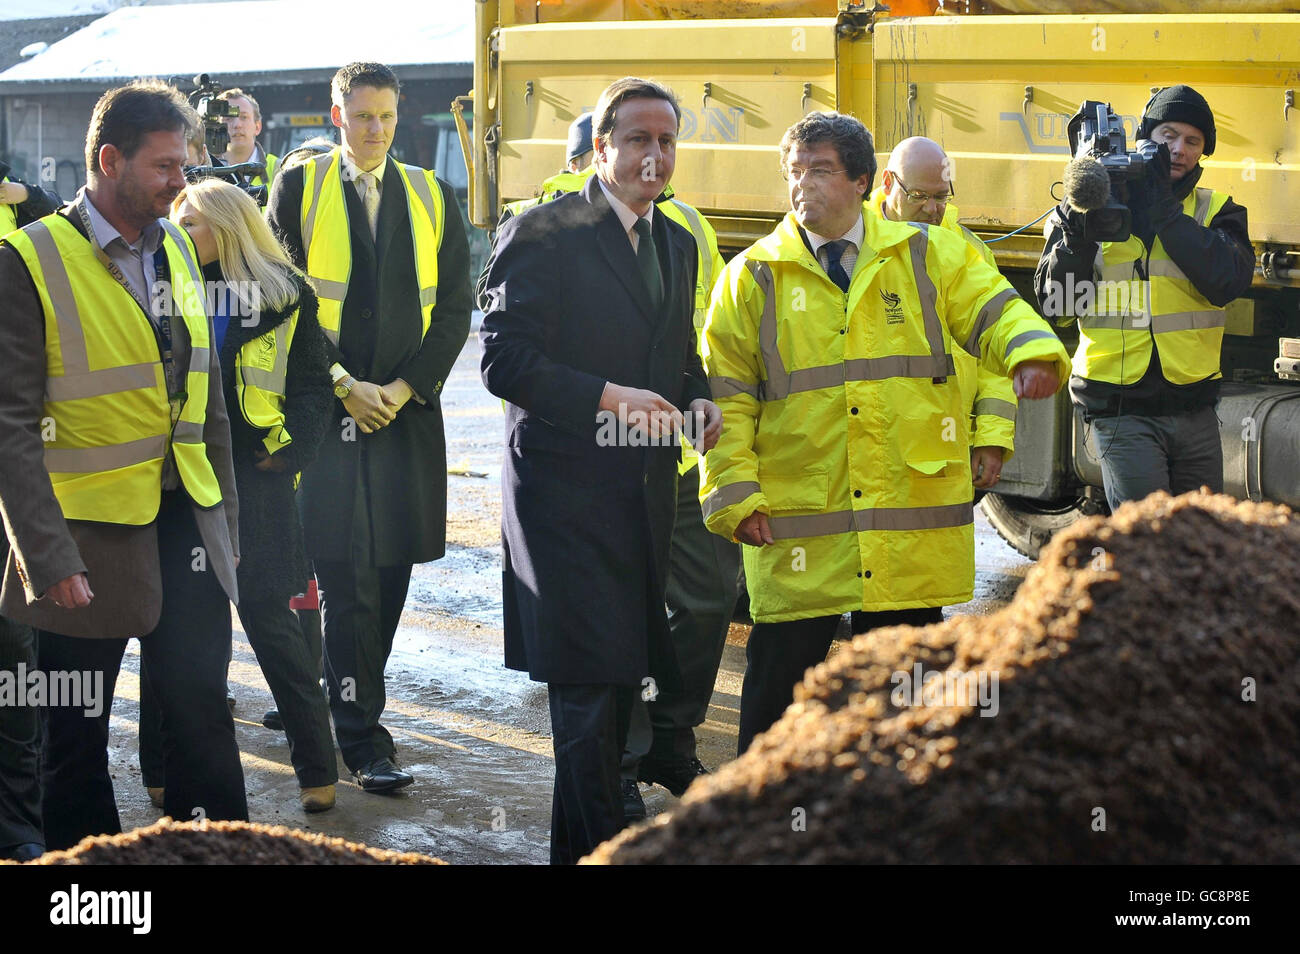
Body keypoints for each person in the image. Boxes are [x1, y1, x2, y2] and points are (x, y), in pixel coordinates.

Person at [699, 112, 1070, 755]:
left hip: (907, 531)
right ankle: (763, 824)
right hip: (799, 530)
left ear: (863, 182)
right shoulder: (752, 278)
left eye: (820, 171)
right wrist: (733, 492)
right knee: (778, 701)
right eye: (794, 172)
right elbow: (725, 398)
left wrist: (1031, 353)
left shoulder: (931, 256)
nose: (802, 187)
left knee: (908, 704)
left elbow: (996, 311)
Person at [480, 76, 722, 863]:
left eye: (667, 141)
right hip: (562, 504)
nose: (655, 156)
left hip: (641, 500)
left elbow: (677, 352)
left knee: (615, 702)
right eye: (638, 140)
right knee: (586, 706)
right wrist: (608, 398)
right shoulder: (543, 233)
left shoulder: (677, 240)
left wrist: (700, 398)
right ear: (600, 148)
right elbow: (503, 361)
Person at [0, 79, 247, 849]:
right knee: (75, 733)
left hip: (188, 521)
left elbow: (204, 397)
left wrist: (227, 523)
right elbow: (7, 427)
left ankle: (216, 853)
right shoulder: (26, 260)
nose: (184, 183)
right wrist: (47, 557)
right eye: (168, 167)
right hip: (85, 539)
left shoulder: (175, 243)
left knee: (202, 710)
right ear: (110, 161)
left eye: (187, 165)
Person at [268, 62, 472, 794]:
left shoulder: (431, 192)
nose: (377, 130)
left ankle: (342, 696)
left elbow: (454, 306)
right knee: (346, 570)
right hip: (328, 413)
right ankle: (363, 741)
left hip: (404, 413)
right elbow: (283, 298)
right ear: (336, 116)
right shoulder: (299, 187)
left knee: (390, 570)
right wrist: (342, 385)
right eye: (363, 117)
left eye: (386, 116)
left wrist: (405, 386)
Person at [136, 178, 337, 813]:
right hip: (179, 483)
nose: (179, 232)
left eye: (191, 222)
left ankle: (318, 772)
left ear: (229, 227)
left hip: (258, 480)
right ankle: (161, 770)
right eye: (176, 220)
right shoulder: (157, 289)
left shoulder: (286, 292)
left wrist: (291, 450)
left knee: (274, 628)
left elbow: (312, 388)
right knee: (169, 633)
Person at [1035, 85, 1253, 511]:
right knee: (1148, 531)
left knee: (1199, 539)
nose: (1178, 149)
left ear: (1203, 151)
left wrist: (1167, 216)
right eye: (1167, 135)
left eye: (1193, 141)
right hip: (1120, 406)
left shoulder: (1217, 210)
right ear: (1145, 138)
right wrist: (1075, 233)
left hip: (1194, 404)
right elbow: (1057, 308)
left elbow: (1228, 281)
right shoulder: (1091, 204)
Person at [870, 136, 1017, 491]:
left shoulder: (970, 251)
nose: (932, 209)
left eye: (941, 197)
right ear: (888, 183)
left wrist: (991, 439)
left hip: (947, 452)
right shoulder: (856, 245)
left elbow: (995, 356)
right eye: (919, 196)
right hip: (873, 450)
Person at [219, 88, 278, 190]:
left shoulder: (279, 169)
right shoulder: (206, 172)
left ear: (257, 127)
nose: (237, 125)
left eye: (244, 117)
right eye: (228, 118)